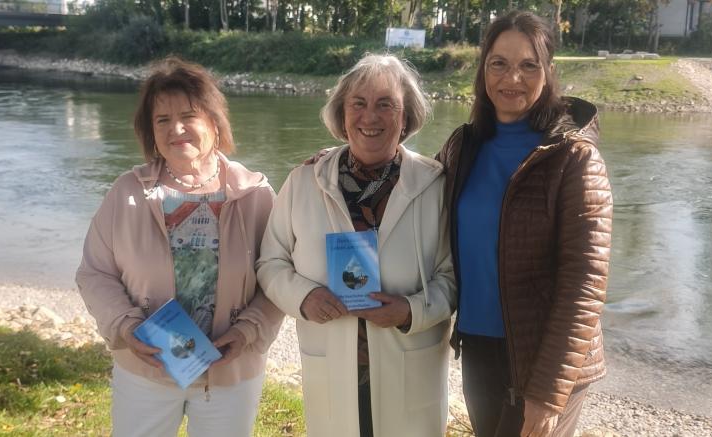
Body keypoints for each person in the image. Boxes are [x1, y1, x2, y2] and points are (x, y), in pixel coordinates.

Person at [75, 56, 283, 437]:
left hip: (230, 373)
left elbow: (279, 276)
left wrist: (248, 330)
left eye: (189, 115)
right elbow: (94, 272)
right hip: (146, 371)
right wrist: (127, 327)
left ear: (214, 121)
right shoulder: (127, 193)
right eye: (163, 120)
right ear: (149, 130)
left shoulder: (255, 194)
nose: (177, 129)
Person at [257, 54, 457, 437]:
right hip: (331, 359)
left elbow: (453, 277)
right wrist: (304, 297)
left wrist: (411, 310)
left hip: (409, 364)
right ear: (342, 113)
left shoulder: (434, 185)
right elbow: (271, 261)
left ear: (406, 116)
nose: (371, 117)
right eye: (359, 103)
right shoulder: (304, 181)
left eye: (386, 104)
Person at [435, 11, 613, 437]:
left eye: (528, 65)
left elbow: (585, 282)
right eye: (499, 63)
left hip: (543, 357)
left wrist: (550, 389)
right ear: (482, 70)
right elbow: (415, 193)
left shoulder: (575, 159)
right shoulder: (465, 145)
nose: (511, 78)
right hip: (479, 345)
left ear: (548, 72)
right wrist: (341, 160)